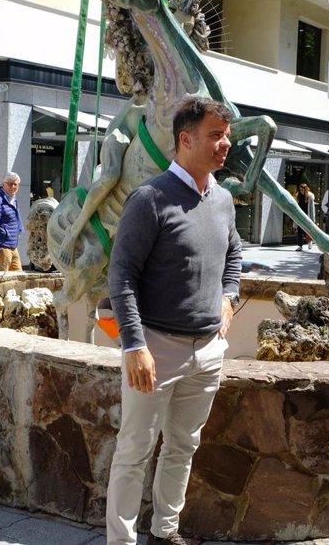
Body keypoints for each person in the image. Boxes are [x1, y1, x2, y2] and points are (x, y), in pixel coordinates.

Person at [106, 96, 242, 545]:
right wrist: (134, 345)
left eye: (226, 135)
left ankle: (165, 532)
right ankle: (121, 540)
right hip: (156, 348)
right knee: (134, 451)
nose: (225, 144)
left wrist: (228, 297)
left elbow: (234, 254)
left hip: (207, 350)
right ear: (185, 139)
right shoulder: (150, 198)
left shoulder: (222, 200)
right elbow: (121, 275)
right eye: (215, 135)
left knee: (183, 447)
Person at [0, 172, 23, 271]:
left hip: (13, 246)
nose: (13, 187)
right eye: (10, 184)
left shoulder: (13, 199)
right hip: (2, 247)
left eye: (16, 184)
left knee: (19, 277)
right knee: (2, 279)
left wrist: (19, 230)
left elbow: (17, 217)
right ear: (3, 184)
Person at [295, 182, 315, 251]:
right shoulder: (298, 196)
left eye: (302, 190)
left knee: (307, 231)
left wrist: (312, 219)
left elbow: (312, 209)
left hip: (307, 216)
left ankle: (309, 241)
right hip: (300, 216)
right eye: (300, 190)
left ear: (306, 190)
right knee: (299, 231)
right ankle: (300, 246)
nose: (301, 191)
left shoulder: (310, 197)